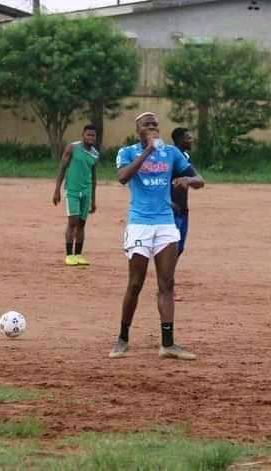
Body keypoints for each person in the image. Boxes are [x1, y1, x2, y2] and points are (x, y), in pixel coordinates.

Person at [109, 112, 204, 360]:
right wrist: (147, 152)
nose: (152, 127)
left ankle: (168, 344)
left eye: (155, 124)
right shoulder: (127, 152)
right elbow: (122, 178)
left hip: (165, 223)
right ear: (137, 129)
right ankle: (122, 337)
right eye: (146, 124)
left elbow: (200, 180)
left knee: (167, 283)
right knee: (136, 283)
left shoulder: (171, 153)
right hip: (140, 223)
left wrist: (187, 179)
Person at [53, 125, 98, 266]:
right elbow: (62, 168)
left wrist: (93, 199)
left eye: (93, 136)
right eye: (88, 135)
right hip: (72, 190)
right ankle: (69, 255)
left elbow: (94, 176)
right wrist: (57, 190)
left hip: (86, 191)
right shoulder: (72, 148)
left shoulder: (95, 154)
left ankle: (78, 255)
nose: (90, 138)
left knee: (82, 223)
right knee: (73, 222)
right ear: (83, 135)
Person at [171, 127, 196, 257]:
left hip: (182, 207)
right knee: (172, 246)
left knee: (179, 247)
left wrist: (189, 180)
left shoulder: (185, 156)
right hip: (171, 207)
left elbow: (196, 179)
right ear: (180, 140)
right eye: (188, 138)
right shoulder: (170, 156)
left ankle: (168, 275)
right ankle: (166, 276)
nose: (191, 140)